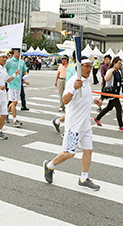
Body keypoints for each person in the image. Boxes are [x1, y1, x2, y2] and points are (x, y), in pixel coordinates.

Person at [43, 57, 102, 191]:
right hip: (74, 125)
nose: (89, 69)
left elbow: (84, 96)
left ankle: (83, 178)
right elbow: (65, 100)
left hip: (85, 125)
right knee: (69, 153)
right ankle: (49, 166)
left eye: (90, 66)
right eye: (87, 66)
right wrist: (74, 88)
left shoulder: (86, 81)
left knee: (88, 150)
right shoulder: (72, 81)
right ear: (80, 68)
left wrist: (94, 100)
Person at [94, 57, 123, 132]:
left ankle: (97, 118)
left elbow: (119, 80)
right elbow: (106, 79)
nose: (120, 65)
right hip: (111, 92)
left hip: (116, 91)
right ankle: (121, 125)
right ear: (114, 63)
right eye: (118, 63)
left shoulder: (118, 71)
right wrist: (111, 71)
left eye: (120, 63)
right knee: (118, 108)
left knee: (109, 107)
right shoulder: (110, 70)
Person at [5, 48, 27, 127]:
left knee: (14, 102)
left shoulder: (22, 62)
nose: (20, 53)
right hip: (12, 84)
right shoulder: (9, 61)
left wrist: (25, 75)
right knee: (13, 103)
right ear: (15, 52)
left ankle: (5, 114)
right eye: (19, 52)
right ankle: (15, 120)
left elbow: (25, 70)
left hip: (19, 85)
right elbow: (4, 69)